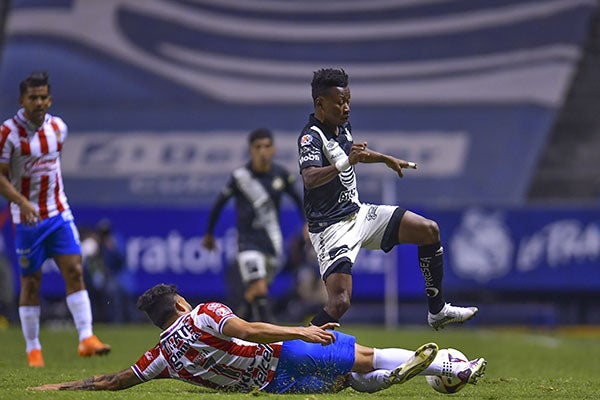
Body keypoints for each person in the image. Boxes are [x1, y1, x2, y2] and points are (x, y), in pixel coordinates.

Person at [30, 283, 486, 393]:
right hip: (280, 353)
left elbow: (115, 380)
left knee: (347, 382)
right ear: (180, 304)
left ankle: (398, 379)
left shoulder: (161, 357)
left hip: (270, 388)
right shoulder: (204, 313)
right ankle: (450, 368)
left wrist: (58, 387)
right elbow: (248, 330)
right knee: (363, 356)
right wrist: (301, 330)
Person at [297, 68, 478, 329]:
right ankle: (297, 355)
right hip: (330, 228)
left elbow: (355, 153)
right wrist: (347, 162)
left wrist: (385, 158)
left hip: (358, 213)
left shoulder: (342, 127)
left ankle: (437, 311)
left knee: (428, 230)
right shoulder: (310, 137)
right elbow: (310, 178)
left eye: (348, 101)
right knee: (340, 302)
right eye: (340, 103)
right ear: (320, 104)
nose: (347, 108)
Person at [0, 71, 110, 367]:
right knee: (31, 282)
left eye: (43, 97)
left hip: (59, 212)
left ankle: (86, 338)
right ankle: (33, 348)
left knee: (75, 270)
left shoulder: (59, 128)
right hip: (26, 220)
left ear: (50, 99)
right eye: (32, 97)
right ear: (22, 100)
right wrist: (22, 201)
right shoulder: (8, 134)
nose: (39, 102)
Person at [203, 128, 304, 322]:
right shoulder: (241, 177)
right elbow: (219, 204)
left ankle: (238, 328)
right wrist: (209, 234)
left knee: (255, 292)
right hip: (247, 244)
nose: (263, 151)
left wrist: (307, 224)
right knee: (259, 287)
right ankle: (272, 332)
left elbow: (298, 200)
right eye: (258, 147)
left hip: (272, 243)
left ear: (273, 150)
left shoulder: (280, 175)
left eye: (267, 146)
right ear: (250, 150)